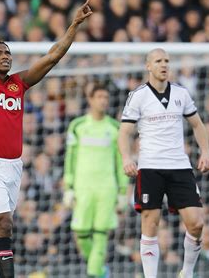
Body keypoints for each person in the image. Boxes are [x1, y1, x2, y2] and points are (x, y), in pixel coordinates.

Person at [0, 0, 92, 278]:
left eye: (9, 52)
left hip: (13, 167)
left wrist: (74, 25)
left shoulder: (19, 83)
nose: (6, 56)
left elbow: (53, 56)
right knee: (4, 223)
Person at [117, 48, 209, 278]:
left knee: (197, 223)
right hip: (150, 166)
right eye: (158, 61)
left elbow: (198, 125)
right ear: (148, 66)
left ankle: (187, 272)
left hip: (180, 166)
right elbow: (124, 132)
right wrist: (127, 157)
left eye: (167, 61)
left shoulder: (181, 93)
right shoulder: (138, 95)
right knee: (150, 222)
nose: (164, 65)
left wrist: (206, 152)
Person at [63, 84, 129, 278]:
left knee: (101, 233)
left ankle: (94, 273)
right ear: (90, 99)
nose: (103, 101)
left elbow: (120, 161)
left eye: (106, 97)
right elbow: (70, 158)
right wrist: (68, 186)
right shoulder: (78, 126)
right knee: (80, 231)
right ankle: (100, 271)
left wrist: (123, 191)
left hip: (107, 188)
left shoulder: (115, 128)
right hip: (83, 188)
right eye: (99, 96)